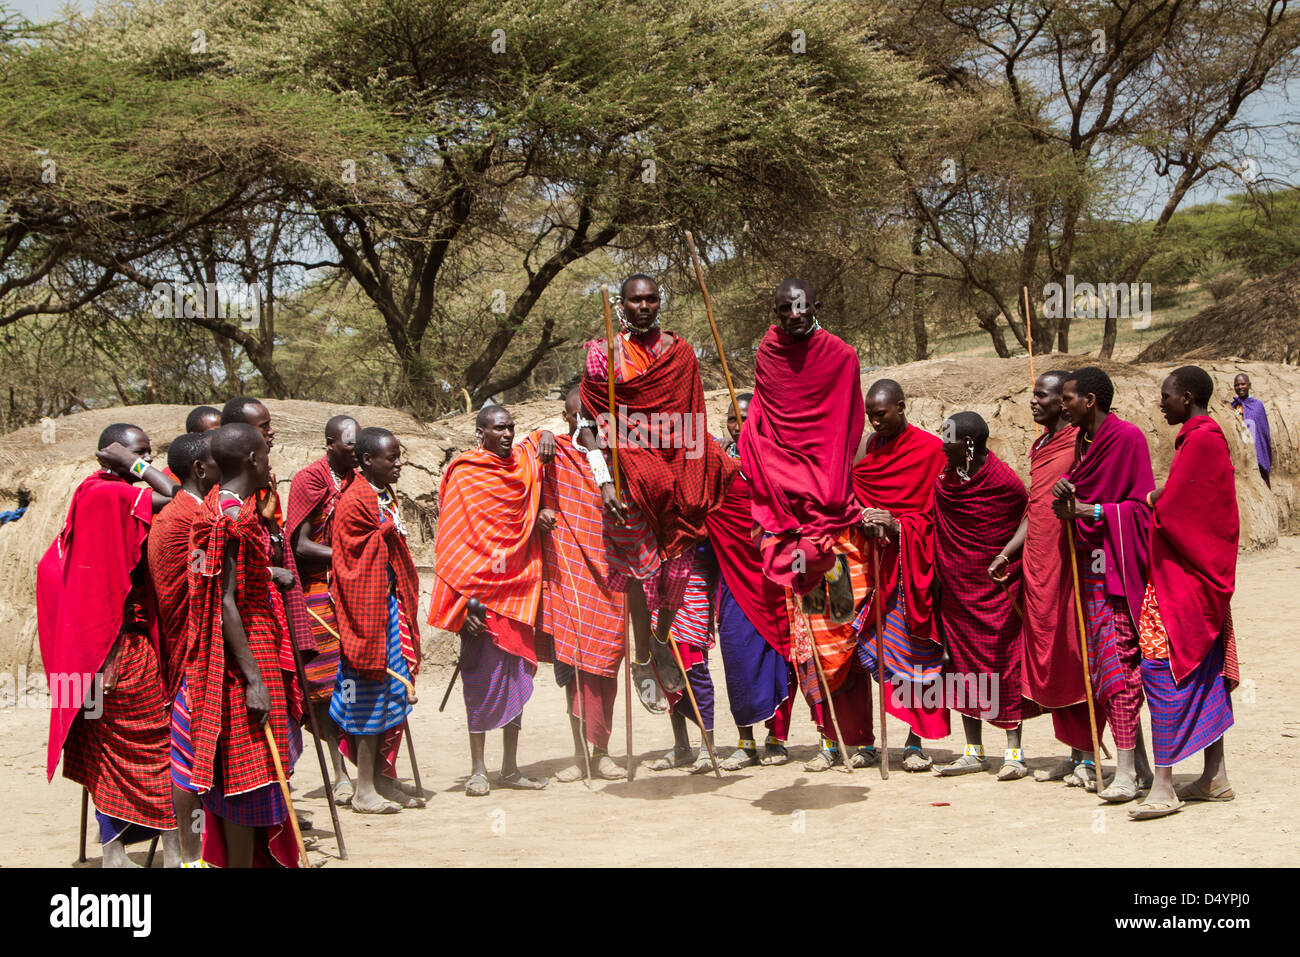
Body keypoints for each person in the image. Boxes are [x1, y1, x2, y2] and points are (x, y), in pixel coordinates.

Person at [576, 274, 737, 713]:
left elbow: (693, 415)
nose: (643, 307)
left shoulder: (679, 353)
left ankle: (662, 641)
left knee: (679, 571)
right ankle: (642, 658)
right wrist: (604, 478)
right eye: (634, 301)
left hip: (676, 474)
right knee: (639, 572)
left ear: (658, 302)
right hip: (627, 480)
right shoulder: (602, 354)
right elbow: (589, 424)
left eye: (650, 299)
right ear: (623, 305)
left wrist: (702, 465)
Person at [37, 424, 180, 867]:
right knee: (156, 747)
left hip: (90, 657)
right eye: (139, 453)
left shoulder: (97, 494)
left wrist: (134, 464)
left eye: (148, 453)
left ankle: (115, 852)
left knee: (105, 750)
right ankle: (173, 849)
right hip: (120, 653)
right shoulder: (107, 494)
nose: (146, 461)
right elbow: (179, 499)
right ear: (110, 455)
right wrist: (135, 466)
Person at [183, 423, 303, 867]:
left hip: (256, 640)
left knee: (257, 763)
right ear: (253, 460)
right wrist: (253, 678)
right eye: (265, 454)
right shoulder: (227, 518)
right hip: (244, 652)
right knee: (245, 769)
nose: (270, 460)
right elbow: (225, 603)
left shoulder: (231, 506)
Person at [428, 405, 556, 797]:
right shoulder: (466, 473)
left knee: (517, 676)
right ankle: (478, 769)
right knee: (479, 683)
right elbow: (453, 545)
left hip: (517, 592)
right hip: (479, 601)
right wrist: (461, 603)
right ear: (480, 432)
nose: (507, 434)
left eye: (511, 428)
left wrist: (544, 435)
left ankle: (511, 767)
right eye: (499, 428)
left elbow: (542, 445)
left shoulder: (522, 464)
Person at [1130, 367, 1240, 820]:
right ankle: (1215, 776)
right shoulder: (1200, 440)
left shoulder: (1202, 443)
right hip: (1199, 583)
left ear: (1188, 397)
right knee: (1206, 670)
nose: (1161, 403)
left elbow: (1181, 511)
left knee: (1161, 671)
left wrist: (1155, 500)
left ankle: (1165, 784)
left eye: (1167, 396)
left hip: (1185, 585)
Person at [1051, 367, 1154, 803]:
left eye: (1069, 398)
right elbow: (1081, 501)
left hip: (1120, 571)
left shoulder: (1127, 438)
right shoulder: (1081, 443)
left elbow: (1140, 508)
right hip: (1090, 570)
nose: (1062, 405)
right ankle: (1141, 768)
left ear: (1090, 400)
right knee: (1106, 672)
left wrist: (1090, 512)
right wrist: (1067, 500)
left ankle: (1127, 773)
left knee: (1120, 671)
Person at [990, 371, 1098, 784]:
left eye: (1042, 396)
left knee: (1076, 652)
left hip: (1071, 561)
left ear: (1065, 402)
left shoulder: (1081, 443)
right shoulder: (1040, 446)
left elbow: (1090, 496)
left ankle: (1088, 757)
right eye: (1032, 395)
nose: (1034, 402)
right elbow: (1034, 510)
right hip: (1038, 565)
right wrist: (1006, 552)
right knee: (1051, 654)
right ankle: (1073, 755)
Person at [740, 279, 865, 613]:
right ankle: (820, 579)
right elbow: (764, 411)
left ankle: (828, 571)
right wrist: (751, 440)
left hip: (824, 473)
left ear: (815, 307)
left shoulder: (842, 356)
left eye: (801, 306)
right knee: (783, 548)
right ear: (776, 312)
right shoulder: (769, 351)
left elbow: (848, 423)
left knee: (810, 550)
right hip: (781, 467)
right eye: (785, 309)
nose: (794, 315)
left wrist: (834, 474)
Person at [932, 412, 1038, 780]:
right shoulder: (946, 481)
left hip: (995, 588)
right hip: (956, 591)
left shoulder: (1003, 481)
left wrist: (1005, 554)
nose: (943, 445)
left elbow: (1030, 516)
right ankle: (972, 751)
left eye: (949, 439)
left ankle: (1014, 753)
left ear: (970, 444)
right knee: (961, 667)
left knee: (1004, 665)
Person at [853, 379, 950, 771]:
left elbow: (939, 515)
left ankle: (915, 742)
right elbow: (853, 497)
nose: (875, 423)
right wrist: (865, 517)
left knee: (917, 656)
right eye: (870, 416)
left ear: (902, 406)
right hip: (875, 569)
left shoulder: (930, 450)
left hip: (915, 568)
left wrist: (897, 525)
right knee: (874, 651)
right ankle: (888, 735)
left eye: (881, 415)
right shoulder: (865, 450)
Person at [330, 427, 424, 813]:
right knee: (369, 695)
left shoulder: (380, 494)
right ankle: (363, 788)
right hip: (365, 615)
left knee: (392, 696)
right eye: (392, 458)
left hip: (386, 610)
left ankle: (384, 779)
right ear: (368, 461)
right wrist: (385, 530)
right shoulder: (355, 500)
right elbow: (349, 558)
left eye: (400, 456)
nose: (399, 463)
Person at [541, 387, 627, 782]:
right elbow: (523, 477)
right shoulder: (552, 453)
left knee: (605, 668)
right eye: (578, 418)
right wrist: (541, 436)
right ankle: (579, 754)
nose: (585, 426)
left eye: (593, 419)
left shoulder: (615, 460)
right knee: (573, 669)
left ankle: (603, 751)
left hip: (611, 580)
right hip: (570, 577)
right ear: (566, 417)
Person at [709, 394, 796, 770]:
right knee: (737, 656)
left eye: (743, 418)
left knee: (780, 656)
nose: (736, 425)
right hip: (732, 577)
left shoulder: (776, 463)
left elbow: (793, 512)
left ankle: (776, 738)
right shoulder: (717, 465)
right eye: (731, 419)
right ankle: (745, 741)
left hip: (772, 577)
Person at [147, 431, 220, 864]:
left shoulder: (181, 510)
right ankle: (193, 856)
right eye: (217, 463)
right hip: (193, 650)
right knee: (190, 752)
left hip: (189, 644)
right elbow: (211, 586)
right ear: (199, 470)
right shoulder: (190, 521)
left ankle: (202, 851)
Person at [285, 415, 358, 801]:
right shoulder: (309, 480)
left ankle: (368, 769)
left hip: (357, 592)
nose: (356, 450)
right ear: (330, 443)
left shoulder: (360, 481)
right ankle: (339, 770)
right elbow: (297, 544)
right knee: (326, 686)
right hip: (316, 592)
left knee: (361, 679)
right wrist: (349, 557)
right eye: (349, 443)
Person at [645, 542, 720, 774]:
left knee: (696, 672)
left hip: (693, 583)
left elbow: (710, 550)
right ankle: (682, 746)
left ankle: (708, 748)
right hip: (659, 582)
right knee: (666, 670)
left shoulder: (700, 508)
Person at [1227, 373, 1273, 487]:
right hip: (1241, 449)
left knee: (1262, 477)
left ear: (1249, 385)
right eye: (1237, 385)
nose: (1240, 387)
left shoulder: (1257, 405)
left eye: (1243, 384)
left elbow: (1262, 431)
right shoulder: (1233, 406)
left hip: (1256, 447)